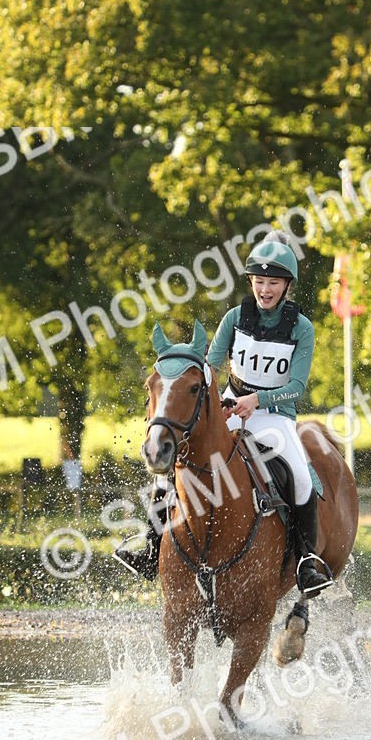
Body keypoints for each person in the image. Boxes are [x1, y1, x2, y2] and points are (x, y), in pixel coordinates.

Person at [114, 230, 333, 596]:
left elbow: (297, 387)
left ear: (286, 286)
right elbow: (209, 366)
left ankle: (306, 562)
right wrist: (210, 396)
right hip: (229, 405)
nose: (265, 289)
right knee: (176, 461)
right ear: (251, 282)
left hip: (275, 415)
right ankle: (151, 547)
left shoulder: (301, 328)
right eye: (259, 281)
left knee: (301, 477)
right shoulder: (234, 317)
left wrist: (257, 400)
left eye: (273, 283)